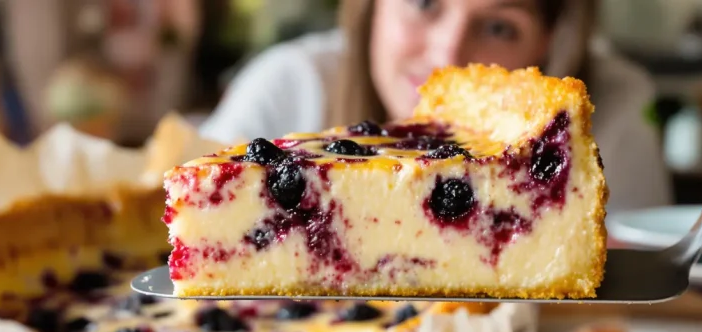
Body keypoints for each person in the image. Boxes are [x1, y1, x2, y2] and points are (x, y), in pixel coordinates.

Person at [200, 0, 673, 213]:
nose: (448, 55)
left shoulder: (605, 109)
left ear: (547, 46)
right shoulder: (289, 84)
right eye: (424, 3)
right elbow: (190, 222)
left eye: (499, 27)